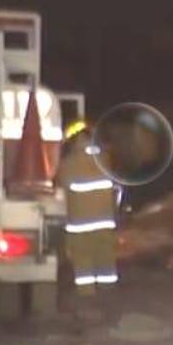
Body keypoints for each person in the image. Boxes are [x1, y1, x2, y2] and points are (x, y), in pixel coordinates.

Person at [55, 127, 120, 296]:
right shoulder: (104, 160)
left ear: (75, 143)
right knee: (105, 256)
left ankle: (87, 293)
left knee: (83, 258)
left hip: (80, 224)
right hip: (105, 222)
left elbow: (60, 186)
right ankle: (108, 291)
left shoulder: (69, 163)